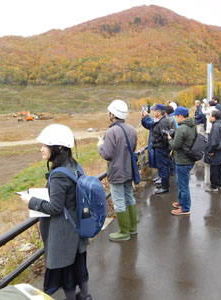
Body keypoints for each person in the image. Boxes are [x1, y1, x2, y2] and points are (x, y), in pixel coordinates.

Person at [20, 124, 91, 300]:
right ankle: (85, 296)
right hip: (77, 228)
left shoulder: (59, 174)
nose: (41, 149)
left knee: (67, 273)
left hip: (64, 234)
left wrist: (31, 201)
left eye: (45, 145)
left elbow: (55, 208)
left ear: (58, 148)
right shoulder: (74, 165)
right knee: (79, 267)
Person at [98, 100, 138, 242]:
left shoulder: (111, 131)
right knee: (129, 197)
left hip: (116, 171)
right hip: (129, 170)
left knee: (119, 201)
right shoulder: (132, 130)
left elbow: (107, 154)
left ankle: (124, 232)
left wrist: (100, 146)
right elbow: (132, 149)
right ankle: (133, 228)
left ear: (112, 114)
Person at [167, 107, 196, 215]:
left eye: (176, 116)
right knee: (181, 183)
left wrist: (170, 138)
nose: (174, 118)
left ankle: (185, 208)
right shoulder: (192, 125)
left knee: (183, 186)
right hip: (188, 158)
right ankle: (181, 202)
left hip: (182, 161)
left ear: (180, 116)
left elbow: (175, 145)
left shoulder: (182, 128)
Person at [141, 103, 172, 194]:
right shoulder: (161, 120)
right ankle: (164, 184)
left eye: (155, 110)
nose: (153, 112)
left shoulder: (162, 122)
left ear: (159, 112)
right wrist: (144, 118)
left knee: (163, 167)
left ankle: (165, 187)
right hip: (160, 148)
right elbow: (150, 125)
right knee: (162, 167)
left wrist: (159, 142)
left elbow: (165, 136)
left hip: (161, 148)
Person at [204, 110, 221, 192]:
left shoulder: (215, 126)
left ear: (214, 117)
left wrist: (211, 151)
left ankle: (214, 186)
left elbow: (214, 140)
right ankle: (220, 184)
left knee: (214, 168)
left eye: (210, 116)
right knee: (219, 168)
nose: (209, 117)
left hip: (216, 150)